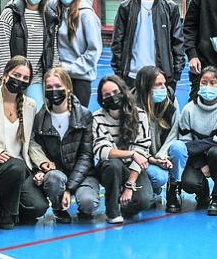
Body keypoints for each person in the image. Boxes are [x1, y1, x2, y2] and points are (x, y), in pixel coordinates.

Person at [0, 57, 50, 230]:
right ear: (5, 75)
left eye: (25, 78)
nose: (19, 80)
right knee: (16, 166)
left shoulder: (31, 105)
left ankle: (2, 202)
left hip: (21, 168)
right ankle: (6, 214)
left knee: (39, 207)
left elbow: (31, 141)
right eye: (16, 75)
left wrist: (41, 162)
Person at [153, 66, 217, 216]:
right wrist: (200, 163)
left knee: (216, 152)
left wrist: (199, 147)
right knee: (189, 183)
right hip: (196, 158)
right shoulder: (189, 110)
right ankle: (202, 192)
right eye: (204, 82)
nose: (208, 87)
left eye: (213, 83)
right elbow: (185, 144)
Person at [30, 68, 100, 223]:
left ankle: (82, 206)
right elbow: (36, 150)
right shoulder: (40, 118)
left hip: (83, 175)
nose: (54, 91)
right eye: (49, 87)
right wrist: (39, 170)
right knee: (54, 178)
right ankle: (58, 208)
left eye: (58, 86)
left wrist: (69, 188)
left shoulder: (85, 115)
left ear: (68, 87)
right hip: (56, 174)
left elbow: (86, 156)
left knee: (89, 203)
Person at [110, 0, 186, 84]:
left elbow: (178, 43)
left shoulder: (170, 7)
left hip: (161, 77)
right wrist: (119, 73)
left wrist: (175, 76)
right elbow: (117, 43)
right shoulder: (126, 7)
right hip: (132, 76)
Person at [92, 75, 155, 224]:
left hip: (133, 168)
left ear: (123, 91)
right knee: (113, 164)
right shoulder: (97, 118)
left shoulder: (139, 114)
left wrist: (129, 185)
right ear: (101, 98)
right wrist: (131, 154)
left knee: (144, 201)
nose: (112, 97)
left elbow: (143, 149)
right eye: (107, 95)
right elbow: (103, 151)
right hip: (109, 167)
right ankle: (112, 212)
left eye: (115, 92)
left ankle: (124, 204)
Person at [0, 0, 59, 108]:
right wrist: (4, 77)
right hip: (13, 77)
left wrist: (52, 76)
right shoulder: (10, 13)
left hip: (36, 80)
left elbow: (53, 49)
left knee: (35, 117)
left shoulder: (50, 17)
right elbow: (2, 46)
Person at [54, 0, 102, 107]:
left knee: (78, 124)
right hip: (59, 78)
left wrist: (68, 68)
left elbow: (93, 51)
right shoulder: (56, 8)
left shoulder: (87, 16)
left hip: (79, 80)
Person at [135, 65, 180, 205]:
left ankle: (173, 188)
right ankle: (152, 190)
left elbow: (174, 132)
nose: (163, 89)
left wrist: (161, 155)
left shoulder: (170, 100)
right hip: (140, 158)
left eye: (164, 84)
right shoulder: (131, 105)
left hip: (161, 155)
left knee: (161, 176)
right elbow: (133, 143)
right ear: (146, 87)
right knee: (156, 178)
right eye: (158, 85)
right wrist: (151, 159)